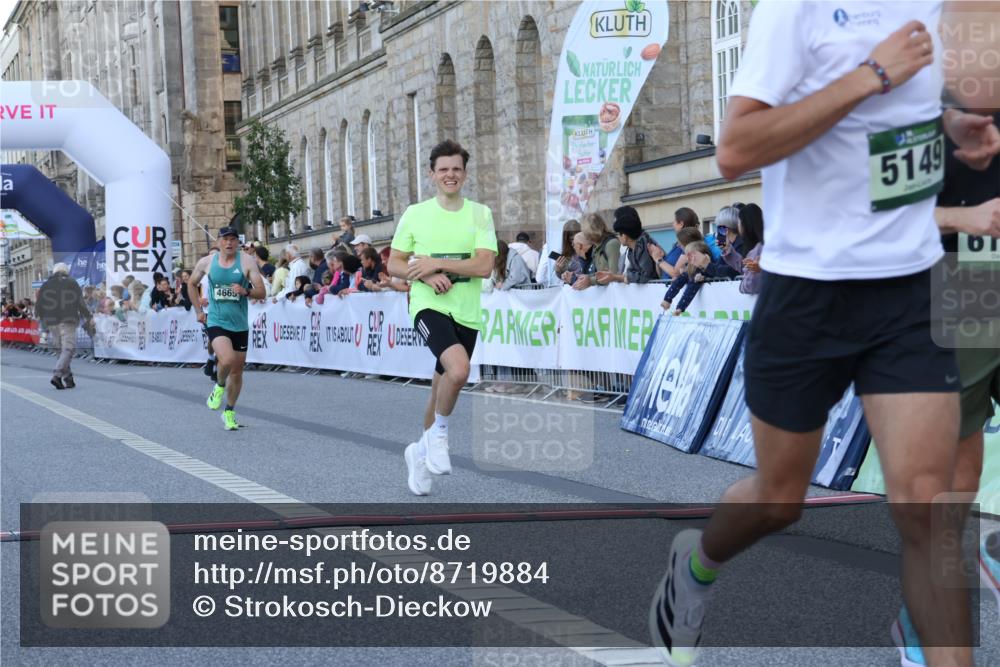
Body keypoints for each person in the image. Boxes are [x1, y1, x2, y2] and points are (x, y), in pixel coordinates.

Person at [649, 4, 1000, 667]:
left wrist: (950, 126)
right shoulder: (794, 10)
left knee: (929, 504)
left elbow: (899, 120)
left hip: (909, 286)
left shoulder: (938, 6)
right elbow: (735, 149)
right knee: (779, 500)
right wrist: (869, 75)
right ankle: (695, 565)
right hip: (808, 291)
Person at [890, 110, 1000, 667]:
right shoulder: (920, 83)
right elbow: (883, 213)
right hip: (958, 279)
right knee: (953, 480)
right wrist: (968, 218)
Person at [388, 139, 497, 496]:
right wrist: (425, 274)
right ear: (432, 174)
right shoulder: (416, 214)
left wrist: (438, 263)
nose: (450, 175)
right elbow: (395, 264)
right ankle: (438, 436)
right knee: (459, 370)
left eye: (456, 169)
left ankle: (418, 454)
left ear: (464, 174)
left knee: (440, 387)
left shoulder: (480, 213)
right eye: (443, 169)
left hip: (466, 311)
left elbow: (484, 264)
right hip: (428, 304)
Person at [188, 226, 266, 431]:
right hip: (216, 320)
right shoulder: (207, 262)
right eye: (226, 239)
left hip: (239, 323)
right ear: (219, 241)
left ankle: (229, 411)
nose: (229, 243)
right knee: (228, 360)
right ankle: (219, 385)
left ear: (238, 242)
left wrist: (245, 291)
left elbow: (261, 291)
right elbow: (191, 284)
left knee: (238, 372)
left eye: (233, 239)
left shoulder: (247, 262)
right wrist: (198, 310)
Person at [35, 263, 93, 390]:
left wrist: (40, 316)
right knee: (68, 349)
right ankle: (57, 374)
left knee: (60, 349)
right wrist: (88, 316)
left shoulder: (46, 285)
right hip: (68, 319)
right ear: (66, 272)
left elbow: (39, 304)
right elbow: (80, 302)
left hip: (51, 321)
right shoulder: (72, 283)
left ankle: (68, 378)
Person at [598, 206, 659, 285]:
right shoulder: (631, 249)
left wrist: (626, 278)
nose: (617, 237)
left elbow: (646, 276)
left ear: (625, 235)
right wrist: (628, 277)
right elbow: (629, 272)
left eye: (619, 234)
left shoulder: (643, 245)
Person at [721, 203, 765, 295]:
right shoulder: (755, 246)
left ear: (746, 224)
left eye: (739, 222)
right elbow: (744, 267)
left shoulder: (760, 248)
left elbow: (750, 285)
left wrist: (743, 285)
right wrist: (728, 250)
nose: (738, 226)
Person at [574, 213, 621, 290]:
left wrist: (590, 280)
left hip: (614, 294)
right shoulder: (596, 246)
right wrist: (580, 277)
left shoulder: (611, 244)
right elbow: (598, 273)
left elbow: (613, 274)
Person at [536, 219, 580, 287]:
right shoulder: (565, 250)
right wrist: (559, 271)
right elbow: (540, 277)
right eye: (571, 239)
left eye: (576, 238)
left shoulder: (586, 249)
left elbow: (586, 272)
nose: (573, 243)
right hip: (568, 290)